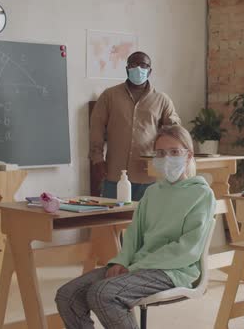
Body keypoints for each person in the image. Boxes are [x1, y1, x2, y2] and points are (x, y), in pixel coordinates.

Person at [56, 125, 215, 328]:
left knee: (103, 293)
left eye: (174, 152)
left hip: (174, 271)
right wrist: (120, 262)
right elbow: (134, 235)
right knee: (67, 296)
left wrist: (136, 267)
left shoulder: (201, 194)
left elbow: (187, 249)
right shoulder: (152, 193)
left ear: (188, 155)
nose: (167, 158)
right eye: (160, 153)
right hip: (138, 266)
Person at [90, 51, 181, 201]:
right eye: (133, 65)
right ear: (127, 69)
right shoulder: (109, 96)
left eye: (143, 65)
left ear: (150, 71)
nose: (138, 69)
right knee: (113, 219)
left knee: (147, 220)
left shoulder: (162, 100)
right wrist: (97, 159)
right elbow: (96, 128)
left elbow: (175, 130)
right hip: (115, 173)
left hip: (149, 175)